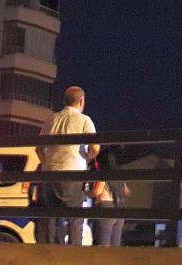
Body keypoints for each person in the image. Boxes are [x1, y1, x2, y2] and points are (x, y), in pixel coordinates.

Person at [35, 86, 100, 245]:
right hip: (73, 173)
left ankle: (46, 250)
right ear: (81, 101)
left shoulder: (51, 119)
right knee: (74, 218)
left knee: (49, 217)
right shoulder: (84, 120)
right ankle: (73, 253)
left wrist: (47, 162)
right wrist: (86, 160)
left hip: (49, 174)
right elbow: (95, 148)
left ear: (64, 101)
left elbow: (38, 148)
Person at [90, 147, 131, 247]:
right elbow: (127, 192)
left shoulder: (102, 173)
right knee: (115, 244)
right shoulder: (118, 175)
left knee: (104, 243)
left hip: (106, 206)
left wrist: (87, 193)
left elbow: (97, 191)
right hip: (120, 207)